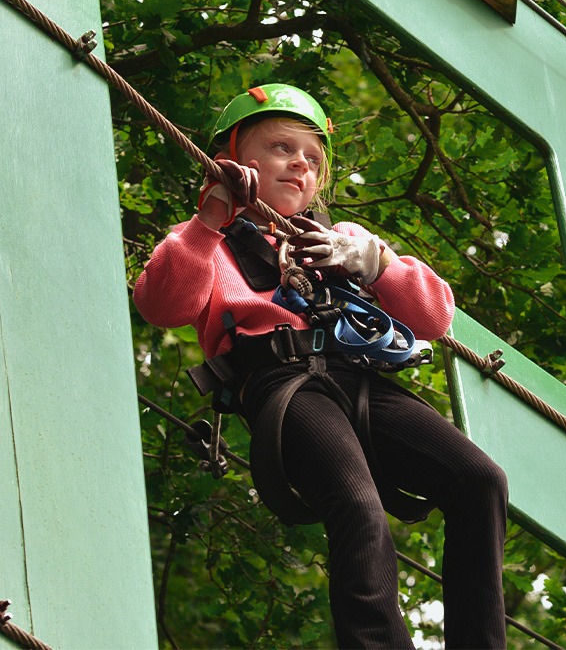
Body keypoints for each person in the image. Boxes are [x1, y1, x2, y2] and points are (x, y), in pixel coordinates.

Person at [133, 83, 508, 649]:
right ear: (236, 158)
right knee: (358, 507)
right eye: (283, 148)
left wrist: (374, 262)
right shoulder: (203, 242)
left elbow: (434, 317)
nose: (301, 166)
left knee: (480, 480)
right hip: (283, 382)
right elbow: (162, 305)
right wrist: (210, 219)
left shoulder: (342, 239)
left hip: (357, 377)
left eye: (313, 159)